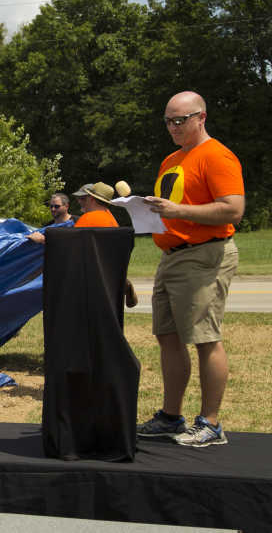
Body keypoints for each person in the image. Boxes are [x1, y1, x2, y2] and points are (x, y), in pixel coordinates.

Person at [137, 91, 244, 448]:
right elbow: (172, 206)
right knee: (167, 337)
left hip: (204, 256)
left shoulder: (218, 155)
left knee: (204, 339)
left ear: (202, 117)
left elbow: (232, 210)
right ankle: (171, 416)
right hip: (172, 257)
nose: (173, 127)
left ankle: (210, 423)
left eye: (180, 120)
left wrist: (179, 213)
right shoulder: (171, 159)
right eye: (168, 120)